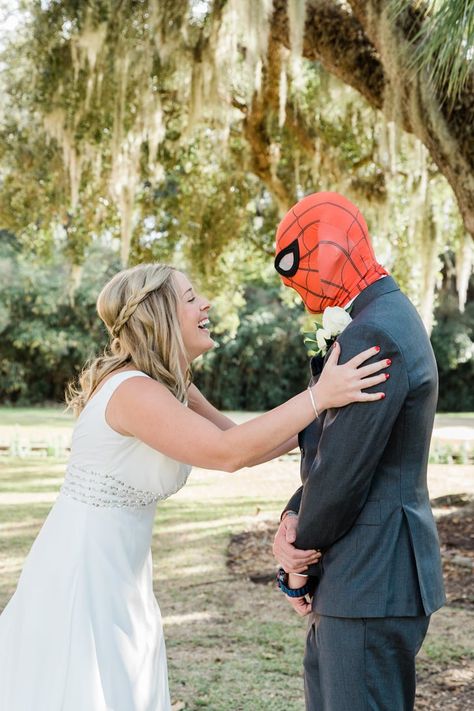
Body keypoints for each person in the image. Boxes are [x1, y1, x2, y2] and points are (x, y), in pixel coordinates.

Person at [0, 262, 389, 711]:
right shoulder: (132, 391)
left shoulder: (173, 386)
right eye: (189, 298)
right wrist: (321, 395)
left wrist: (334, 408)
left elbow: (255, 444)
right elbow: (228, 452)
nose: (206, 304)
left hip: (122, 573)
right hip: (83, 571)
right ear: (159, 315)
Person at [272, 192, 446, 711]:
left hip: (369, 579)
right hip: (367, 578)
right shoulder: (387, 314)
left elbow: (344, 472)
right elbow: (335, 448)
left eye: (298, 266)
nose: (296, 286)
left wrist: (295, 564)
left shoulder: (373, 332)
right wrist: (292, 513)